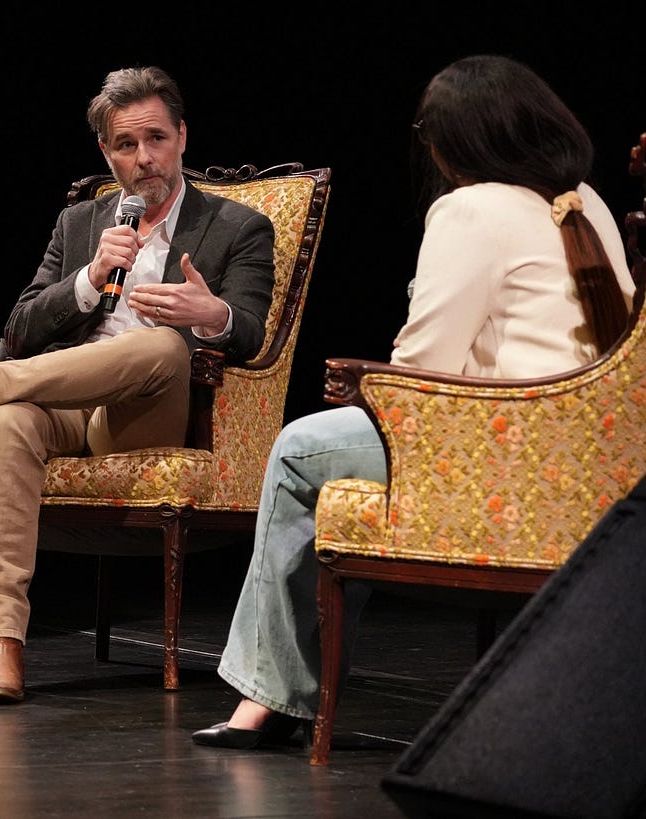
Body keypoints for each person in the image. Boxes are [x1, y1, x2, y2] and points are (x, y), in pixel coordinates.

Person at [192, 54, 636, 749]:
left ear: (451, 141)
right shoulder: (585, 201)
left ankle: (270, 693)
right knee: (339, 466)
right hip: (582, 460)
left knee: (301, 449)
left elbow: (421, 371)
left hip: (496, 444)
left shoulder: (470, 207)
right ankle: (292, 679)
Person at [0, 65, 277, 703]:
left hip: (148, 412)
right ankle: (0, 648)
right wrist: (88, 278)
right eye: (126, 146)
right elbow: (15, 333)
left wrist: (213, 316)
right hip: (69, 406)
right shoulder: (81, 225)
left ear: (183, 136)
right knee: (10, 419)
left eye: (156, 138)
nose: (144, 158)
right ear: (106, 152)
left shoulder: (237, 227)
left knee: (158, 345)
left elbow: (254, 334)